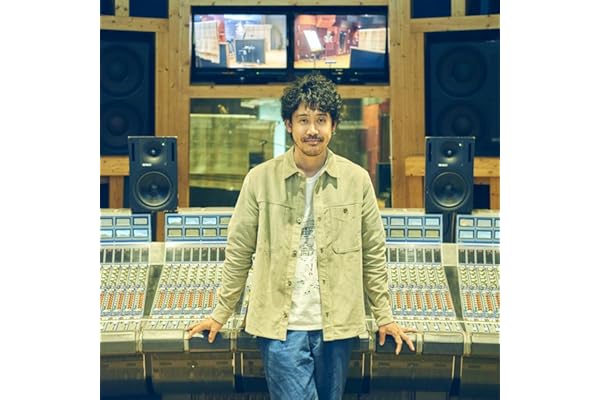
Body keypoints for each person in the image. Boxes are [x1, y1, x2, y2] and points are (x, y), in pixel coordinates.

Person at [187, 72, 415, 400]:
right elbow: (239, 251)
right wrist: (220, 312)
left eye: (321, 120)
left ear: (333, 126)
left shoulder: (357, 180)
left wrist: (385, 316)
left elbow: (373, 253)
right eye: (303, 120)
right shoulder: (260, 179)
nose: (312, 130)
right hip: (280, 328)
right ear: (288, 124)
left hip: (337, 326)